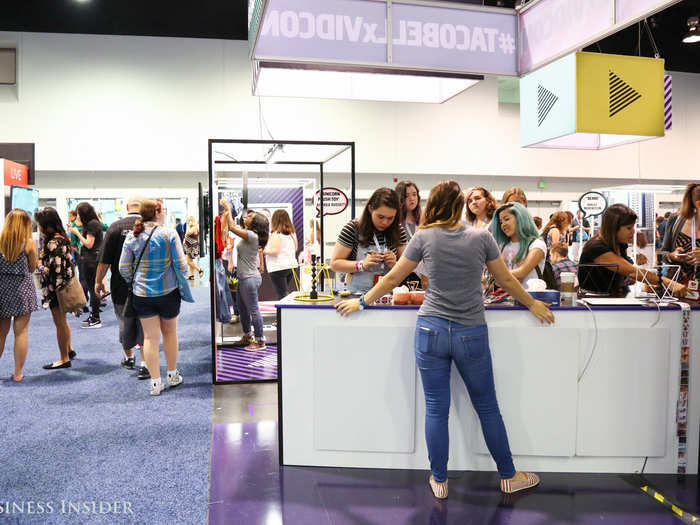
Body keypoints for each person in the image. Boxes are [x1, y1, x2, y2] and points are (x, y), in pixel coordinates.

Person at [335, 180, 553, 499]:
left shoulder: (424, 236)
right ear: (458, 205)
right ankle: (509, 475)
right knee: (488, 408)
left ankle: (439, 480)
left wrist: (362, 301)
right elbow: (505, 278)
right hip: (470, 331)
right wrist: (532, 303)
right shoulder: (481, 237)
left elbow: (395, 277)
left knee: (436, 409)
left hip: (430, 330)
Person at [119, 199, 188, 396]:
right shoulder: (169, 233)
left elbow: (123, 268)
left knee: (149, 337)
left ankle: (155, 383)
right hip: (168, 292)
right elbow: (182, 265)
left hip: (142, 294)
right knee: (170, 333)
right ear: (157, 212)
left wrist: (137, 280)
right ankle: (172, 375)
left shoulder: (133, 236)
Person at [579, 204, 685, 297]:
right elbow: (632, 272)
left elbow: (625, 276)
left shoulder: (619, 245)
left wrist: (650, 285)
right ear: (613, 228)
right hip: (594, 305)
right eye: (629, 228)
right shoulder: (596, 248)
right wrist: (670, 284)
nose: (633, 232)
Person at [95, 195, 147, 377]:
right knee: (145, 324)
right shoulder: (151, 228)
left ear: (126, 207)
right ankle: (145, 363)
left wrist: (98, 281)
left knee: (124, 322)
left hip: (120, 285)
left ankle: (129, 357)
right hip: (147, 287)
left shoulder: (115, 228)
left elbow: (104, 260)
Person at [330, 187, 408, 293]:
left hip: (388, 295)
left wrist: (395, 264)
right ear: (370, 209)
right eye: (380, 217)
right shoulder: (353, 229)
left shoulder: (399, 231)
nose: (385, 222)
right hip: (357, 294)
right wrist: (361, 265)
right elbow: (335, 264)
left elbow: (406, 267)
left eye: (390, 218)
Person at [221, 204, 270, 351]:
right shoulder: (248, 233)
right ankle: (248, 335)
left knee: (253, 310)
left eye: (250, 217)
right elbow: (233, 229)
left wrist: (228, 209)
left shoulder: (252, 235)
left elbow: (232, 227)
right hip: (244, 278)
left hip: (249, 278)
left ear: (255, 223)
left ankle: (260, 341)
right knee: (242, 309)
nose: (246, 217)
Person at [35, 207, 77, 370]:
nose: (39, 227)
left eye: (40, 224)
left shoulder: (54, 243)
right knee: (62, 322)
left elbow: (55, 271)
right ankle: (69, 349)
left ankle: (64, 358)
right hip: (61, 286)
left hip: (57, 289)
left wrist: (39, 267)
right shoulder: (63, 238)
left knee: (59, 323)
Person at [0, 209, 39, 381]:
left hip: (2, 289)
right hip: (22, 289)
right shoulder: (29, 243)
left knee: (1, 333)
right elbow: (32, 267)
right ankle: (17, 373)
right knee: (21, 332)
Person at [490, 202, 546, 285]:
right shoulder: (502, 246)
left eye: (507, 219)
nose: (503, 225)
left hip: (528, 296)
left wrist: (493, 277)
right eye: (501, 222)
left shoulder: (537, 245)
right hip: (504, 296)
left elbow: (521, 272)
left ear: (520, 219)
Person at [70, 202, 104, 328]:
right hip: (91, 260)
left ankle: (95, 318)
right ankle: (94, 315)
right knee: (92, 288)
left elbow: (89, 244)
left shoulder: (91, 225)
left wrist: (76, 233)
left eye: (78, 213)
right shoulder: (92, 223)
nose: (77, 216)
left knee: (92, 288)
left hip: (91, 261)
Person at [662, 183, 700, 284]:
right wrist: (673, 255)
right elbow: (663, 253)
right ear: (698, 204)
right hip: (678, 288)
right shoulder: (675, 220)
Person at [264, 210, 298, 300]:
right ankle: (286, 312)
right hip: (291, 266)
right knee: (284, 291)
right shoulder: (292, 233)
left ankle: (283, 313)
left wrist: (263, 250)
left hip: (278, 267)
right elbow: (296, 248)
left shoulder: (276, 234)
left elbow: (275, 252)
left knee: (282, 294)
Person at [183, 216, 203, 280]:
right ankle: (192, 276)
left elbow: (187, 233)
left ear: (192, 221)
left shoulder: (194, 228)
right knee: (190, 261)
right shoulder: (191, 227)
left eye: (189, 221)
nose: (187, 222)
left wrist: (188, 226)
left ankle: (199, 270)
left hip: (192, 247)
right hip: (189, 247)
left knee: (189, 261)